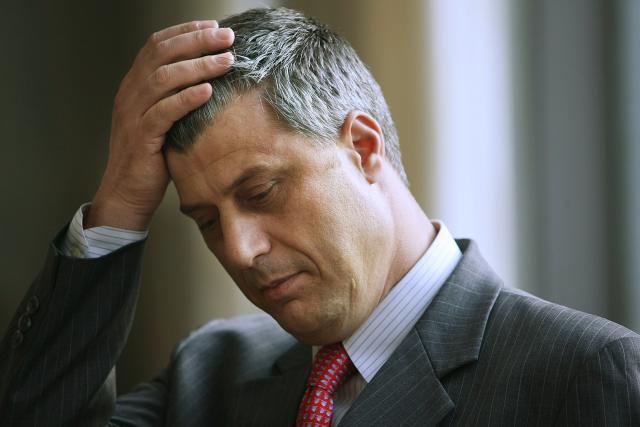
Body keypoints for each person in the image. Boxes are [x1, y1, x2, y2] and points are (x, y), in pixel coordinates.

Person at [1, 7, 639, 427]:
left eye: (261, 192)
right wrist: (119, 205)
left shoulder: (586, 374)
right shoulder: (210, 374)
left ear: (363, 147)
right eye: (207, 221)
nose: (240, 250)